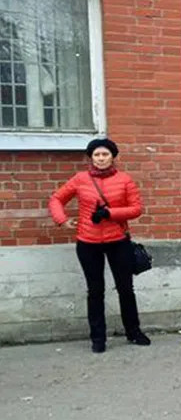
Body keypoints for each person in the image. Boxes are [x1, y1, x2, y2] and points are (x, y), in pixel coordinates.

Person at [48, 138, 149, 353]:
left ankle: (134, 332)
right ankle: (98, 338)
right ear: (91, 157)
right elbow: (56, 199)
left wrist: (109, 213)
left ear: (112, 156)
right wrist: (62, 220)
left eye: (105, 154)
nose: (101, 158)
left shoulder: (124, 180)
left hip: (118, 241)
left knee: (125, 289)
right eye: (97, 155)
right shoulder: (80, 179)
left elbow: (136, 208)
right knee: (95, 291)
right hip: (88, 241)